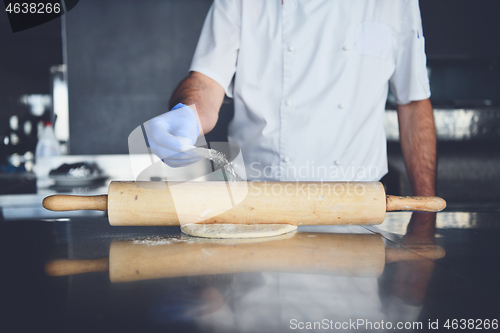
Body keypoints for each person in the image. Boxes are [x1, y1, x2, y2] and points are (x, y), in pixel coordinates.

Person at [145, 0, 436, 197]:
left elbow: (413, 103)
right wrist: (188, 114)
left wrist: (426, 213)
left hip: (357, 208)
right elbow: (206, 80)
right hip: (259, 202)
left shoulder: (395, 4)